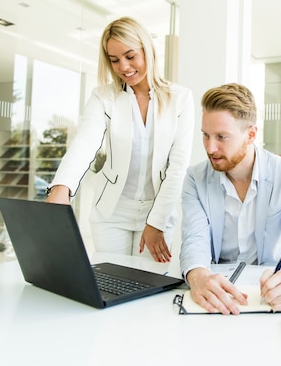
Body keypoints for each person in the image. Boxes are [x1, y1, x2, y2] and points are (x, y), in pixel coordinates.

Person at [46, 16, 194, 263]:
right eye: (114, 60)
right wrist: (62, 188)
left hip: (157, 210)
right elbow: (85, 143)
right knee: (110, 283)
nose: (123, 67)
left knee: (148, 286)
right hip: (111, 212)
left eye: (130, 56)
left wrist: (156, 223)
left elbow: (178, 168)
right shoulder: (104, 97)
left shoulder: (180, 98)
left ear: (147, 51)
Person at [179, 82, 281, 315]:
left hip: (269, 295)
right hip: (219, 297)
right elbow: (194, 241)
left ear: (251, 134)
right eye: (205, 135)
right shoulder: (195, 179)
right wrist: (197, 275)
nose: (210, 147)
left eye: (222, 137)